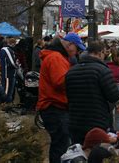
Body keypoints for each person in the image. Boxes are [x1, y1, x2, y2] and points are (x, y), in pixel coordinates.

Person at [36, 33, 86, 163]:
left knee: (59, 144)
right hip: (55, 107)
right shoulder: (56, 58)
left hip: (54, 106)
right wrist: (78, 78)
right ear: (70, 45)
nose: (77, 53)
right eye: (77, 49)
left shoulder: (56, 56)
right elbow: (60, 82)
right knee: (61, 146)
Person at [66, 41, 119, 145]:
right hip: (96, 122)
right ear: (100, 53)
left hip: (75, 121)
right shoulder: (103, 70)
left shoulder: (71, 71)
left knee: (79, 153)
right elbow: (114, 96)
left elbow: (68, 95)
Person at [0, 38, 18, 103]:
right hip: (8, 73)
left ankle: (6, 103)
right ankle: (6, 104)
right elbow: (12, 62)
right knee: (8, 90)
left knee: (7, 89)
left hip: (6, 72)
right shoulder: (7, 50)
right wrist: (17, 66)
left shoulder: (4, 50)